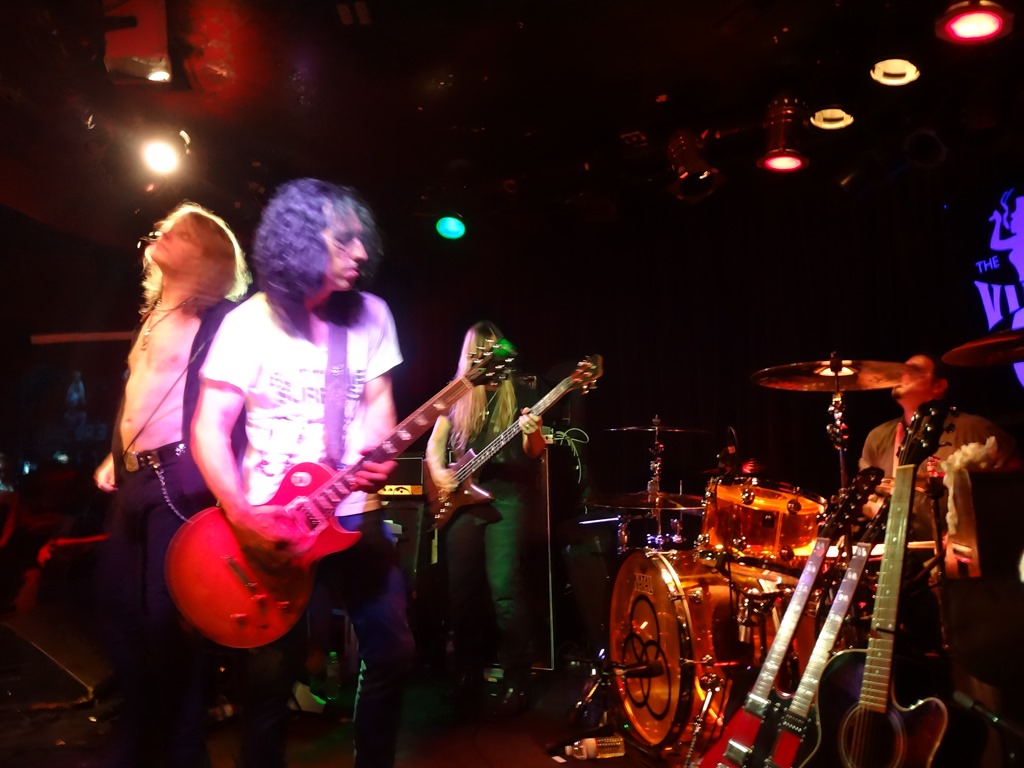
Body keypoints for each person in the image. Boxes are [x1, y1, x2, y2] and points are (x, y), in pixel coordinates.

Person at [190, 178, 416, 768]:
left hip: (352, 516)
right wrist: (243, 518)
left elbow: (378, 404)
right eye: (343, 241)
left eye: (362, 240)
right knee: (270, 681)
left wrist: (379, 452)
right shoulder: (248, 324)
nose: (361, 253)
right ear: (299, 243)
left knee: (392, 651)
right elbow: (209, 428)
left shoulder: (372, 315)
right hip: (271, 526)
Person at [91, 201, 251, 767]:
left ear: (206, 255)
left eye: (177, 232)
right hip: (134, 477)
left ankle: (183, 748)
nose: (160, 232)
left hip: (177, 481)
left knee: (170, 620)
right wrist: (115, 453)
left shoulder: (223, 321)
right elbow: (139, 393)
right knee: (114, 604)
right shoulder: (154, 313)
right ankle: (143, 731)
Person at [858, 351, 1022, 768]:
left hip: (959, 568)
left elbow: (1011, 486)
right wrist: (877, 508)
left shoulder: (972, 429)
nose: (901, 374)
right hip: (899, 563)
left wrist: (967, 525)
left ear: (939, 386)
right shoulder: (879, 437)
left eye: (914, 370)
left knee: (972, 667)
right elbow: (865, 496)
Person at [424, 320, 546, 719]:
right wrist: (441, 475)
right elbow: (433, 448)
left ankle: (518, 676)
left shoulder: (521, 392)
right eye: (482, 350)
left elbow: (534, 451)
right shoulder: (457, 395)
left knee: (505, 588)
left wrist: (533, 432)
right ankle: (466, 675)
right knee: (461, 592)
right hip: (463, 502)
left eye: (494, 349)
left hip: (507, 498)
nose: (490, 356)